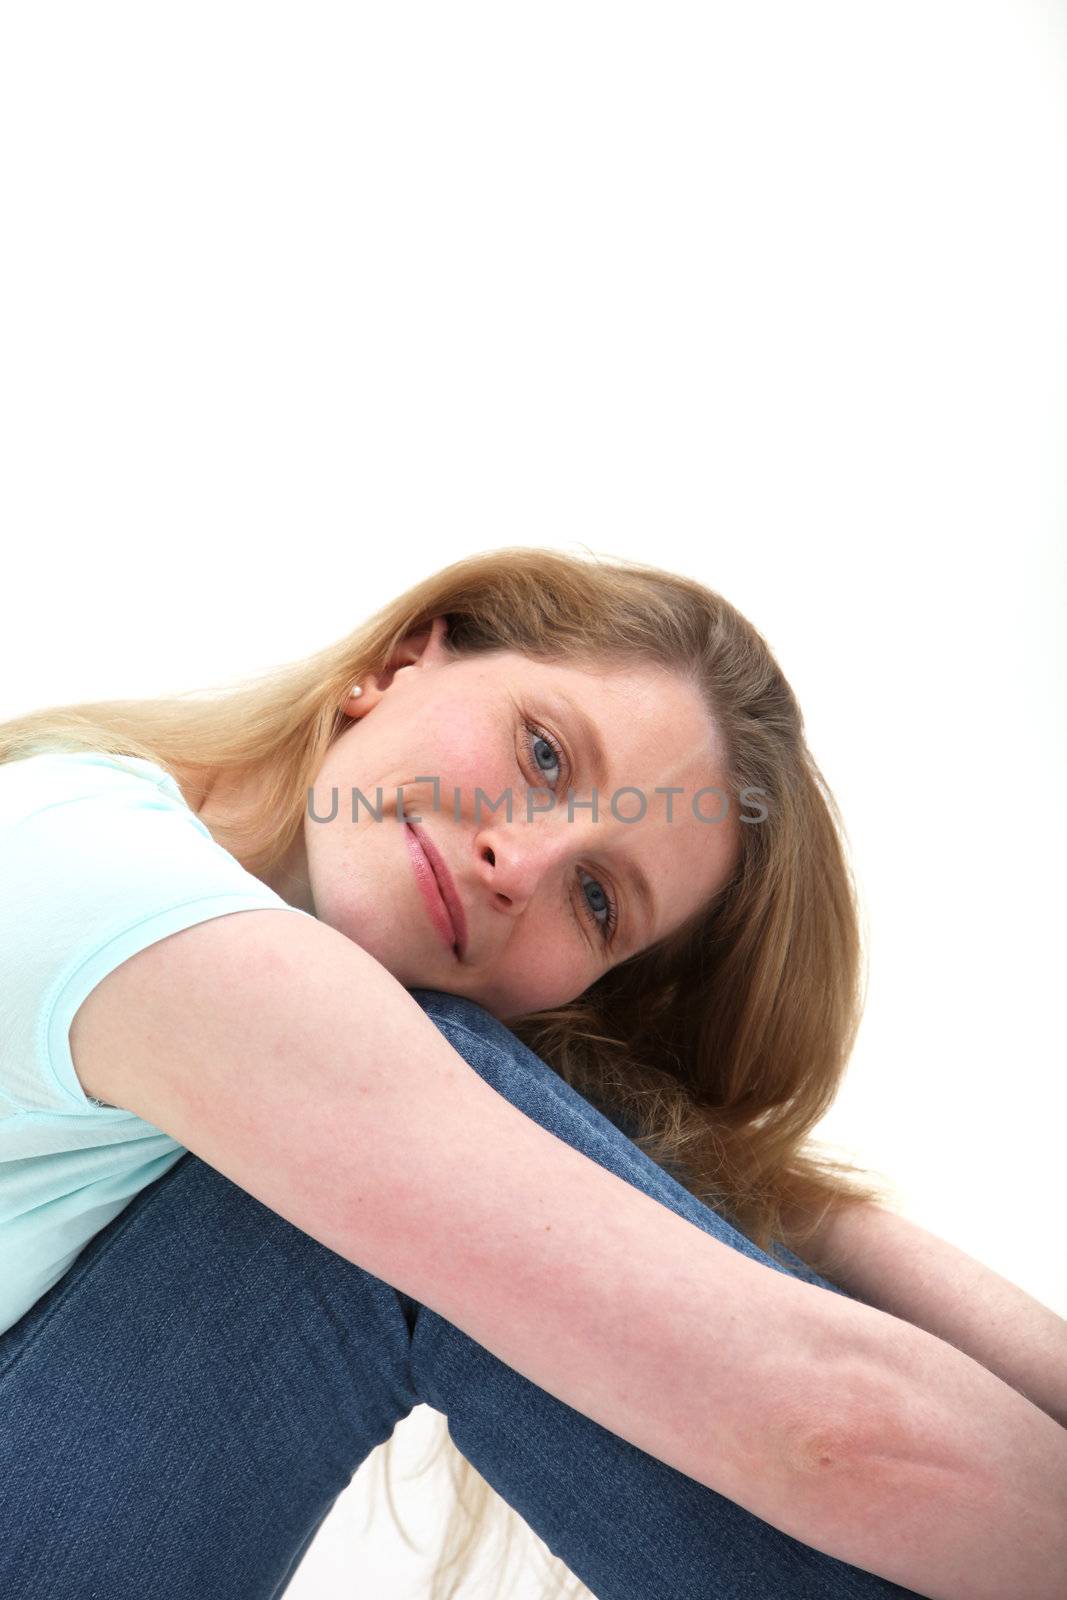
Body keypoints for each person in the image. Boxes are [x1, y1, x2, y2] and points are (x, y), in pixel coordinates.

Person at [0, 546, 1063, 1600]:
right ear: (399, 662)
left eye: (598, 901)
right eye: (545, 755)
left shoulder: (306, 1006)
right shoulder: (95, 869)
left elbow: (766, 1218)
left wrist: (788, 1207)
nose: (525, 862)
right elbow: (828, 1427)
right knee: (401, 1186)